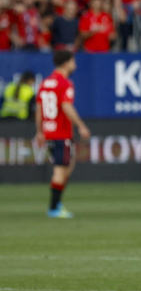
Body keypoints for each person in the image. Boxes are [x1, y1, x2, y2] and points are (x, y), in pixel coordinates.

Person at [36, 50, 91, 218]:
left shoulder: (45, 82)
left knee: (68, 165)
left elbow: (39, 110)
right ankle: (54, 207)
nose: (75, 64)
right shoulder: (65, 83)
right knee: (61, 169)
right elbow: (67, 106)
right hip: (61, 133)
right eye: (73, 61)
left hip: (50, 131)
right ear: (66, 63)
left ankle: (56, 203)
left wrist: (40, 131)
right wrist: (81, 126)